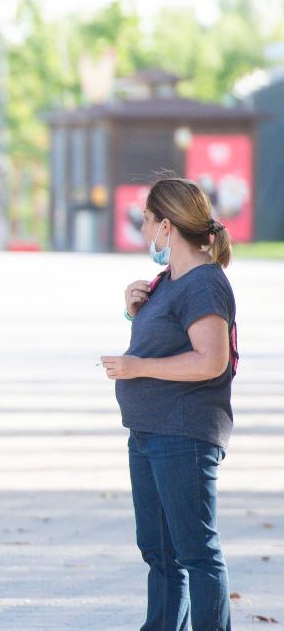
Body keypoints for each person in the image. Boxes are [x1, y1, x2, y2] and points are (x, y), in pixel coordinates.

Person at [101, 177, 238, 631]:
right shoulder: (169, 281)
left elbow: (211, 360)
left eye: (146, 220)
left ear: (167, 226)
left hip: (183, 434)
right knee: (160, 554)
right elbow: (168, 341)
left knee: (196, 552)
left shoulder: (203, 284)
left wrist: (137, 367)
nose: (142, 230)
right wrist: (133, 311)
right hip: (149, 433)